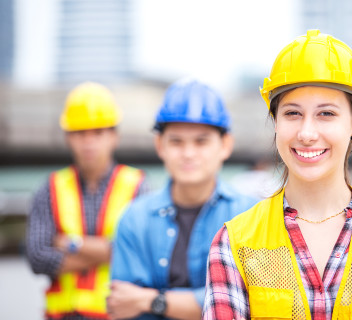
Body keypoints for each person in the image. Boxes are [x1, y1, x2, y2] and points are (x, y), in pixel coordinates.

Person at [203, 30, 352, 319]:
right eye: (292, 113)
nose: (307, 133)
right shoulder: (234, 243)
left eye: (326, 113)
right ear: (275, 121)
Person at [107, 78, 257, 320]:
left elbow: (250, 302)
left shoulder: (251, 216)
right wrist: (206, 299)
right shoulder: (134, 219)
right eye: (176, 141)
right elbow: (123, 305)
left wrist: (151, 301)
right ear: (160, 145)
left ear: (225, 145)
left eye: (201, 141)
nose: (188, 154)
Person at [26, 82, 147, 320]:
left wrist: (72, 244)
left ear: (115, 136)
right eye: (81, 133)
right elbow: (38, 258)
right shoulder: (49, 189)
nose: (89, 142)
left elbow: (140, 252)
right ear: (68, 137)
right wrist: (107, 250)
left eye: (98, 133)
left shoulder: (137, 186)